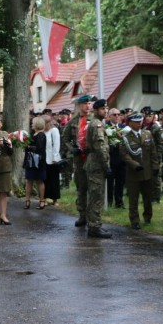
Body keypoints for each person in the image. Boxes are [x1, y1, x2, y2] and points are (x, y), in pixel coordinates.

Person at [120, 112, 159, 229]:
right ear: (130, 123)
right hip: (133, 173)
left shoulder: (147, 134)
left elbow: (153, 152)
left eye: (140, 121)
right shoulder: (125, 137)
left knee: (148, 197)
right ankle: (134, 220)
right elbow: (124, 154)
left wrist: (155, 166)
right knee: (133, 198)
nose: (139, 124)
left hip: (147, 172)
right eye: (136, 122)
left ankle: (148, 217)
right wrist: (134, 164)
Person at [84, 99, 112, 238]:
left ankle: (94, 224)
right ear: (95, 110)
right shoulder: (97, 125)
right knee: (96, 195)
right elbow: (100, 147)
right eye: (102, 109)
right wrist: (106, 166)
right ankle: (94, 226)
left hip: (95, 164)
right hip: (97, 165)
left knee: (96, 194)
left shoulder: (98, 123)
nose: (105, 111)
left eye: (106, 108)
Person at [68, 94, 93, 227]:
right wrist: (72, 149)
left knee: (93, 189)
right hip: (79, 160)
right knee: (81, 188)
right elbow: (65, 138)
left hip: (92, 159)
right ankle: (82, 215)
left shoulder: (95, 120)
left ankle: (93, 216)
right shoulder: (73, 121)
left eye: (89, 104)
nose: (87, 106)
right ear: (79, 105)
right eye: (85, 104)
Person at [23, 116, 47, 209]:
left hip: (38, 162)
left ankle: (42, 200)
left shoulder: (41, 135)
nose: (31, 124)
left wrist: (28, 147)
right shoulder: (34, 134)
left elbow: (39, 148)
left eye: (33, 123)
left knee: (39, 181)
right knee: (29, 181)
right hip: (31, 161)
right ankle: (27, 200)